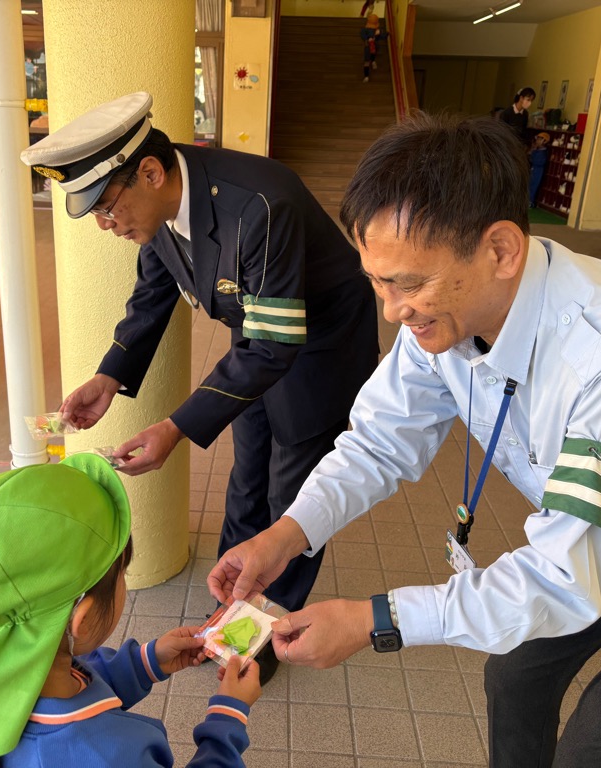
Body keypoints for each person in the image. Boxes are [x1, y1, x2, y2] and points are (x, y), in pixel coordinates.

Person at [208, 112, 601, 767]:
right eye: (377, 279)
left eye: (409, 283)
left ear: (500, 250)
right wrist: (284, 537)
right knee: (512, 677)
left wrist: (373, 619)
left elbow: (562, 579)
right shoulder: (444, 315)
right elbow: (378, 442)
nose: (391, 311)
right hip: (588, 536)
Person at [20, 92, 379, 682]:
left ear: (151, 173)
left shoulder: (260, 204)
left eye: (107, 210)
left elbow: (276, 345)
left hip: (318, 349)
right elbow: (153, 296)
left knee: (291, 493)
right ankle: (232, 598)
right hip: (258, 339)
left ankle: (262, 637)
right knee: (247, 474)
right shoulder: (161, 209)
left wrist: (176, 427)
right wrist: (110, 374)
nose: (107, 227)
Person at [0, 455, 261, 767]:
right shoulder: (116, 753)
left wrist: (147, 662)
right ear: (80, 620)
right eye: (122, 575)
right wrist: (227, 716)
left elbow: (66, 684)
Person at [527, 131, 551, 207]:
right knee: (529, 184)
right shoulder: (536, 150)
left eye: (540, 139)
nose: (537, 141)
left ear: (544, 141)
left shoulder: (543, 152)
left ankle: (530, 201)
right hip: (533, 168)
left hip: (538, 170)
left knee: (534, 185)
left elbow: (539, 162)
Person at [360, 13, 382, 83]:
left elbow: (380, 37)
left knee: (373, 54)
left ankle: (373, 61)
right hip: (368, 46)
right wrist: (367, 39)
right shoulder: (364, 30)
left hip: (374, 45)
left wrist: (378, 35)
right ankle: (366, 76)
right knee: (367, 60)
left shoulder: (377, 30)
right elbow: (362, 35)